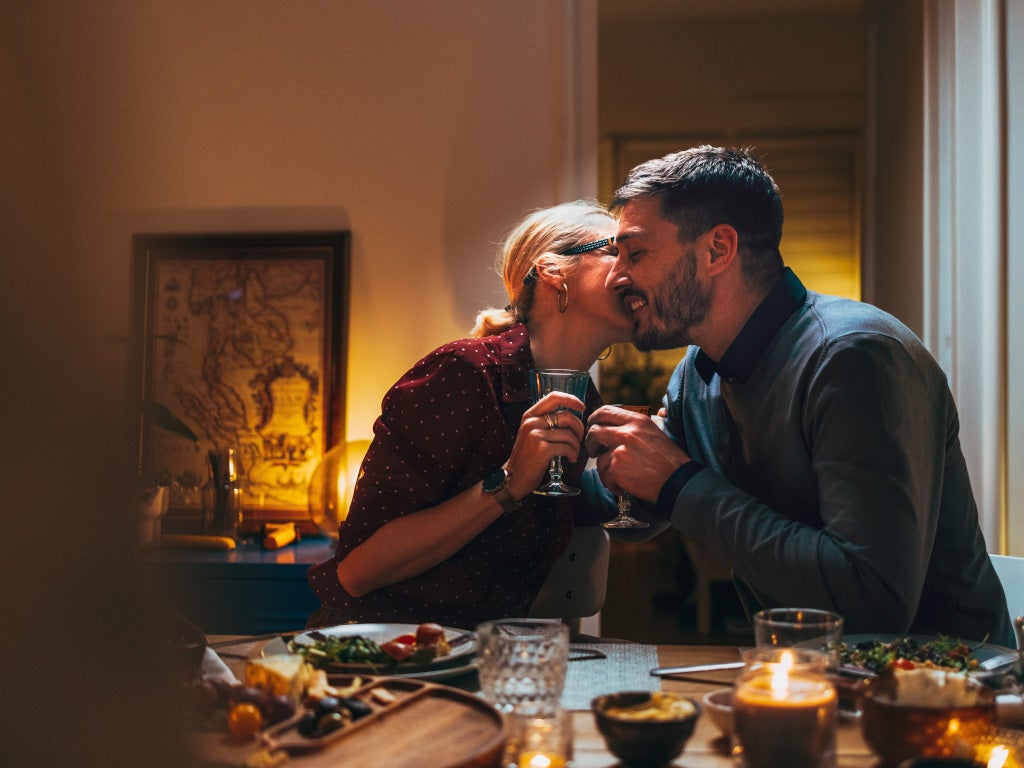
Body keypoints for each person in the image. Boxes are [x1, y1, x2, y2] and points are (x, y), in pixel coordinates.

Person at [585, 145, 1013, 645]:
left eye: (635, 253)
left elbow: (872, 603)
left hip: (950, 692)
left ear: (718, 250)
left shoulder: (855, 358)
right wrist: (527, 479)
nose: (616, 275)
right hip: (809, 679)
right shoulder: (696, 376)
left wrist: (679, 481)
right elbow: (646, 505)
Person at [307, 200, 632, 629]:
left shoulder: (582, 400)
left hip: (489, 657)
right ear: (554, 271)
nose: (635, 270)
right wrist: (510, 481)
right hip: (385, 655)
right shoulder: (464, 373)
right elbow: (355, 572)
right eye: (616, 251)